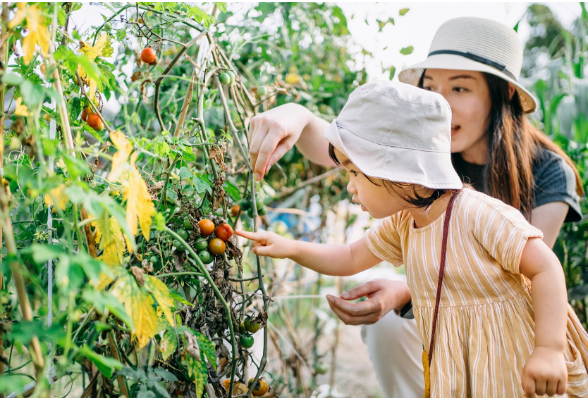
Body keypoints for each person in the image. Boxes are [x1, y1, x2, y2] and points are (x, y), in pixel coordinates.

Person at [245, 17, 584, 397]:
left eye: (459, 87)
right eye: (431, 88)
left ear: (502, 94)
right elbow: (349, 240)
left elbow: (535, 272)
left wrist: (549, 349)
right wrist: (295, 115)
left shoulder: (493, 193)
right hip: (453, 327)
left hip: (513, 335)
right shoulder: (415, 183)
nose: (441, 103)